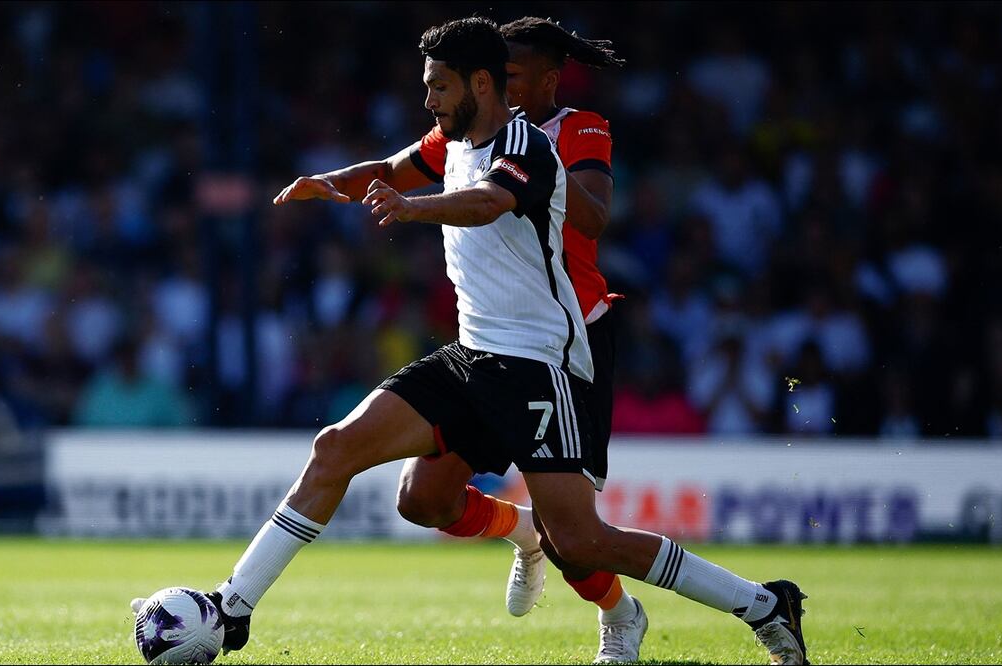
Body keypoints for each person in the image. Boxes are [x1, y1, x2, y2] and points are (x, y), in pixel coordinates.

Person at [135, 17, 809, 666]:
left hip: (537, 364)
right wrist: (335, 184)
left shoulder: (528, 147)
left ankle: (761, 604)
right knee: (361, 464)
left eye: (438, 86)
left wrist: (410, 208)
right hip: (470, 355)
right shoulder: (451, 139)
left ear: (481, 84)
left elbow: (489, 201)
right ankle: (232, 607)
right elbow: (393, 167)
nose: (427, 100)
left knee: (580, 542)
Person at [389, 17, 647, 663]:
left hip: (568, 337)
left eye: (510, 75)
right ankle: (522, 533)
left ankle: (619, 615)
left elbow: (592, 214)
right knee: (423, 500)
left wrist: (532, 168)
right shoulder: (468, 136)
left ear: (549, 79)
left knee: (576, 536)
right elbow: (401, 169)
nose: (496, 84)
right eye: (491, 75)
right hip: (492, 340)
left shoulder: (574, 129)